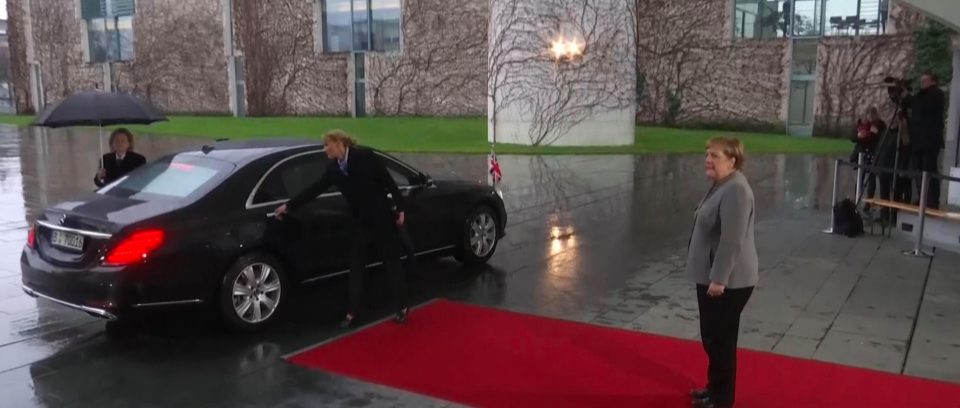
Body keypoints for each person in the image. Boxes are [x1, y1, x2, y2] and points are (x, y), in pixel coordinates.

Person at [274, 130, 409, 328]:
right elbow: (315, 189)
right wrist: (289, 205)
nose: (325, 149)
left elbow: (388, 181)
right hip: (359, 223)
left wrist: (400, 207)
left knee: (391, 263)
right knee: (355, 267)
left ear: (339, 144)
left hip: (381, 219)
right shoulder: (334, 170)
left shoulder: (365, 157)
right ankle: (352, 313)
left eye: (327, 144)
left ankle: (402, 306)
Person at [686, 137, 759, 408]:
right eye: (707, 154)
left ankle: (722, 399)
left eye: (714, 155)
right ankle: (714, 388)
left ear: (732, 160)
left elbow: (732, 239)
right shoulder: (722, 184)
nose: (707, 159)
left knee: (720, 340)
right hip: (713, 276)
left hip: (728, 281)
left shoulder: (736, 190)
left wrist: (719, 279)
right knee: (713, 337)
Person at [908, 73, 946, 209]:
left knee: (929, 170)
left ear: (933, 81)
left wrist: (909, 96)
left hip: (929, 141)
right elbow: (913, 104)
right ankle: (923, 198)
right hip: (919, 141)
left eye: (925, 80)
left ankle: (932, 201)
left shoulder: (936, 94)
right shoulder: (922, 96)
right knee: (919, 170)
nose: (922, 83)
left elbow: (921, 105)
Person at [850, 107, 886, 211]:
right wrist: (859, 136)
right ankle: (856, 198)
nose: (870, 118)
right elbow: (853, 136)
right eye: (868, 115)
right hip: (862, 154)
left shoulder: (880, 125)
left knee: (871, 178)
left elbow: (878, 137)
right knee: (860, 178)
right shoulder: (862, 125)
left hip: (873, 154)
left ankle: (868, 203)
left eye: (872, 115)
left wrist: (871, 134)